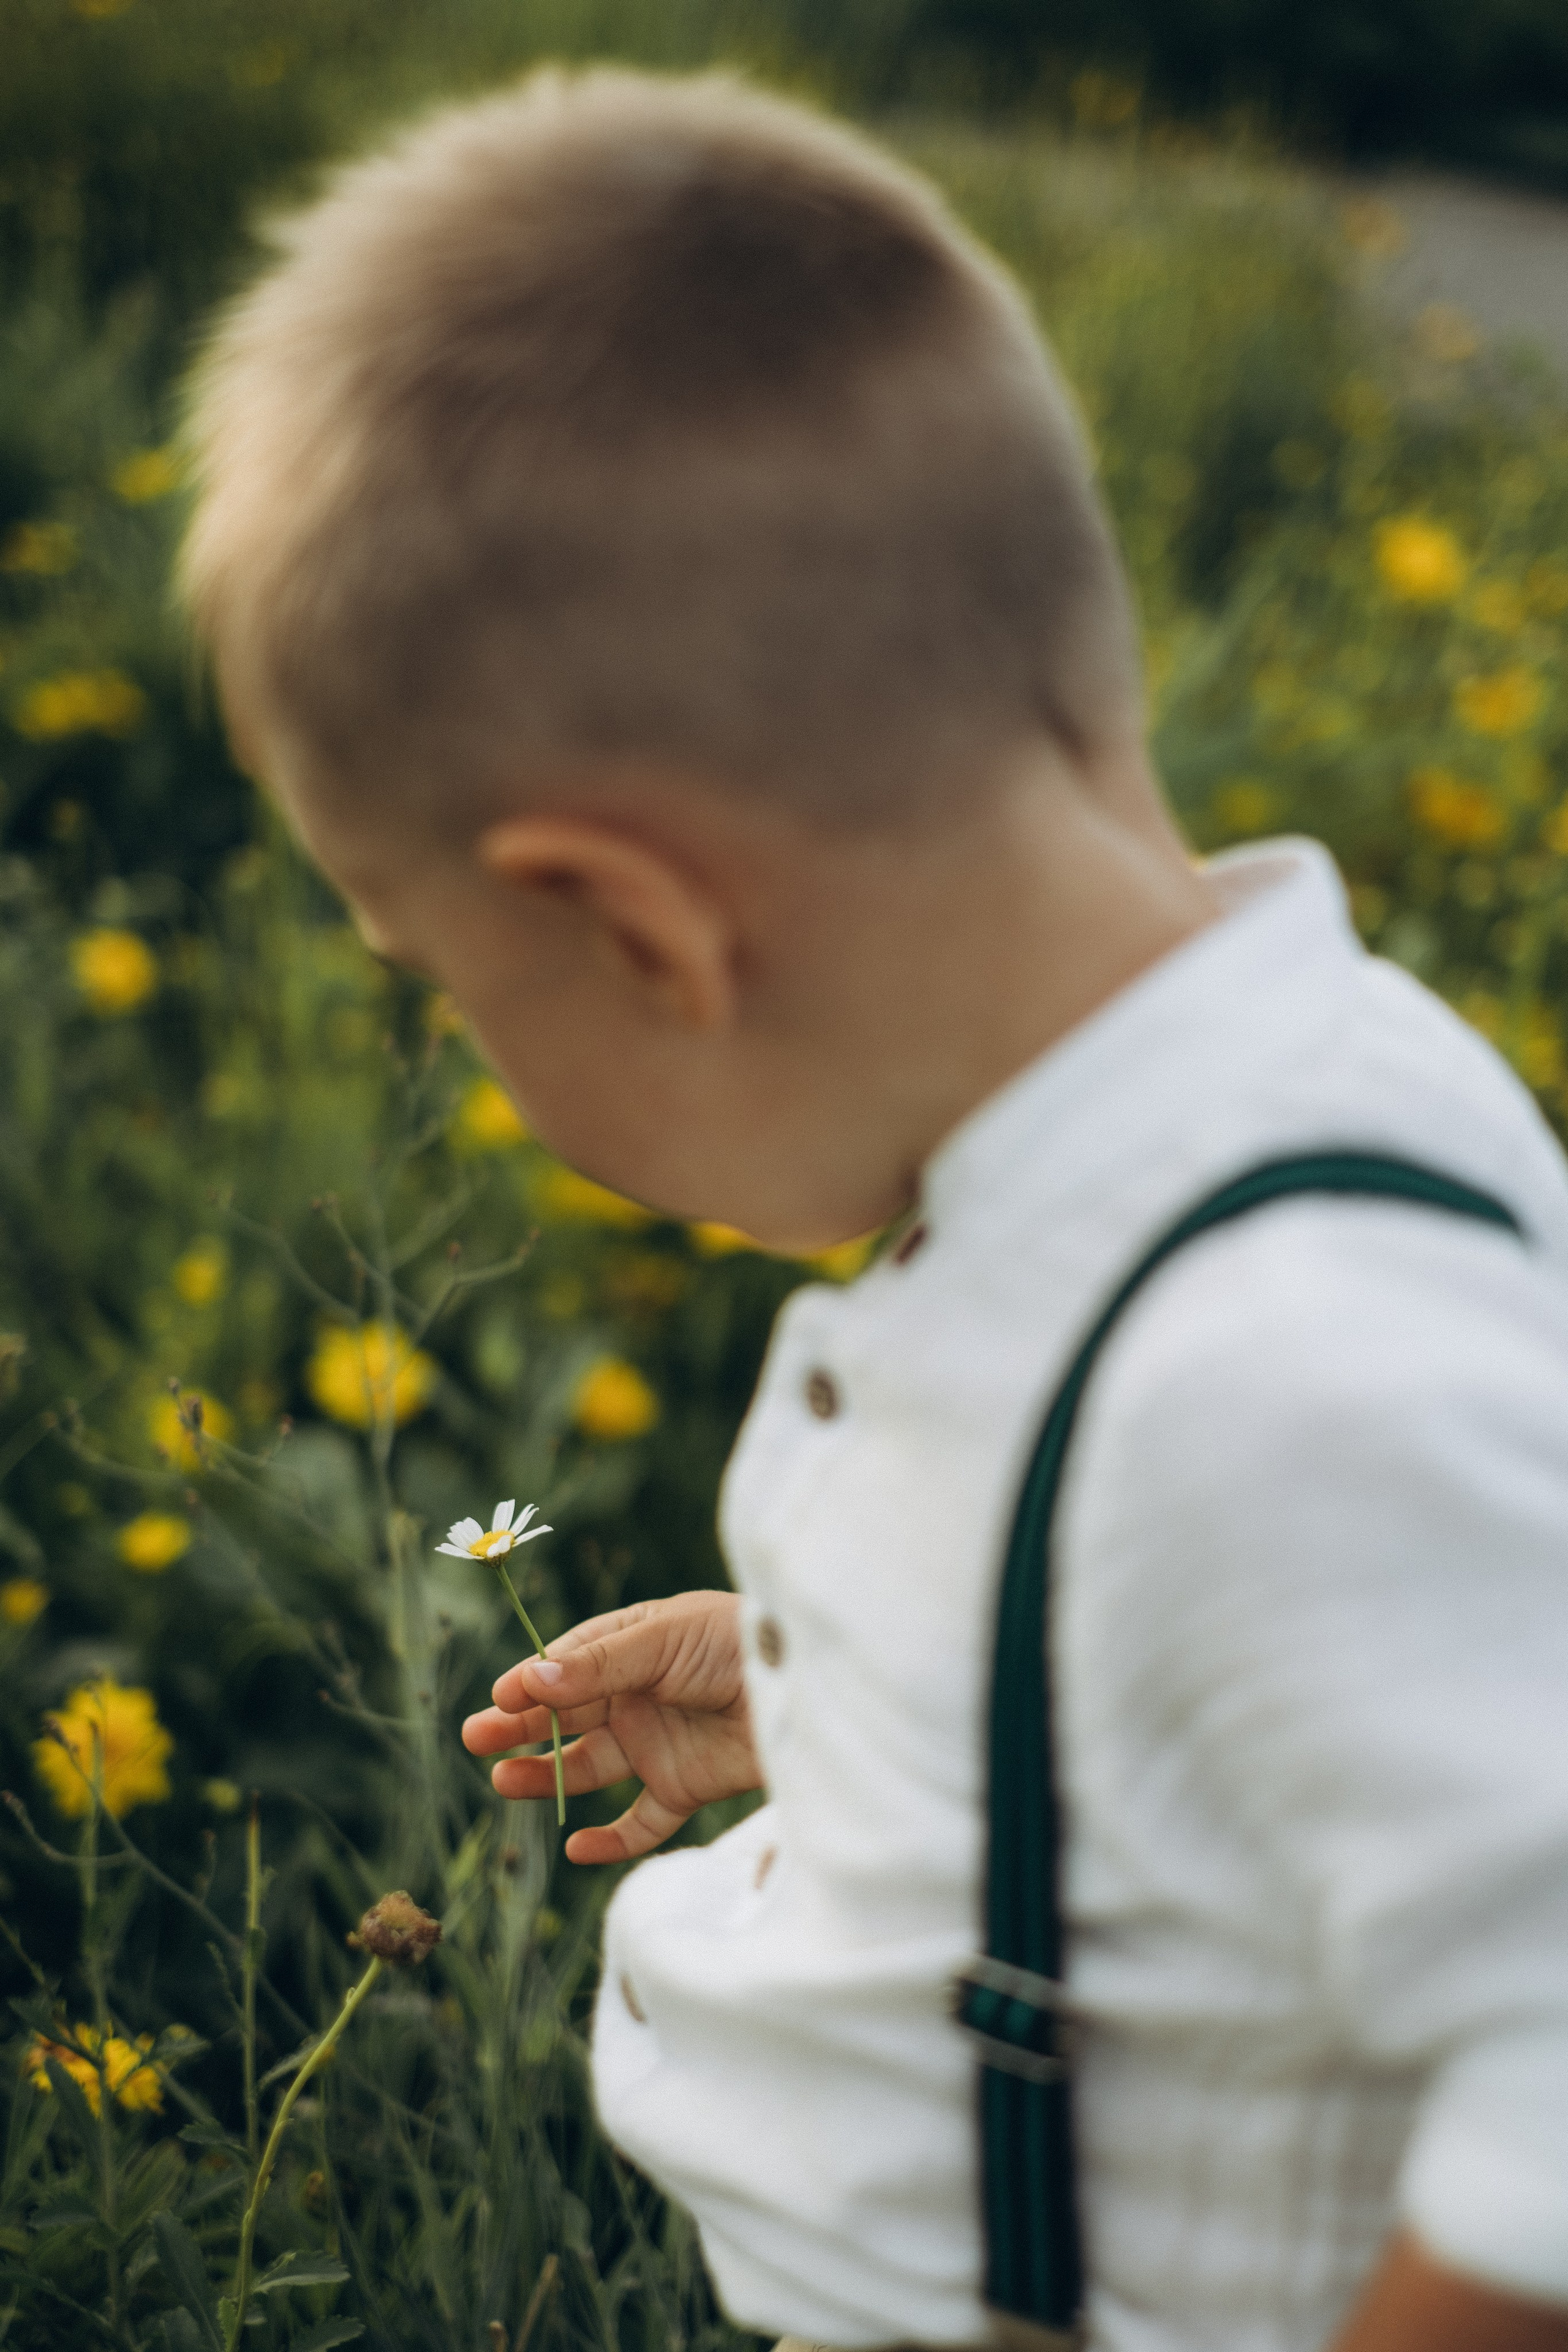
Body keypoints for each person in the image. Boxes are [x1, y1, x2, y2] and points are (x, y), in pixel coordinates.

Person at [181, 66, 1568, 2352]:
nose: (493, 1080)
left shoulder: (1292, 1361)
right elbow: (1263, 1719)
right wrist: (898, 1703)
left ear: (645, 934)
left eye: (460, 997)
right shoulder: (1260, 1112)